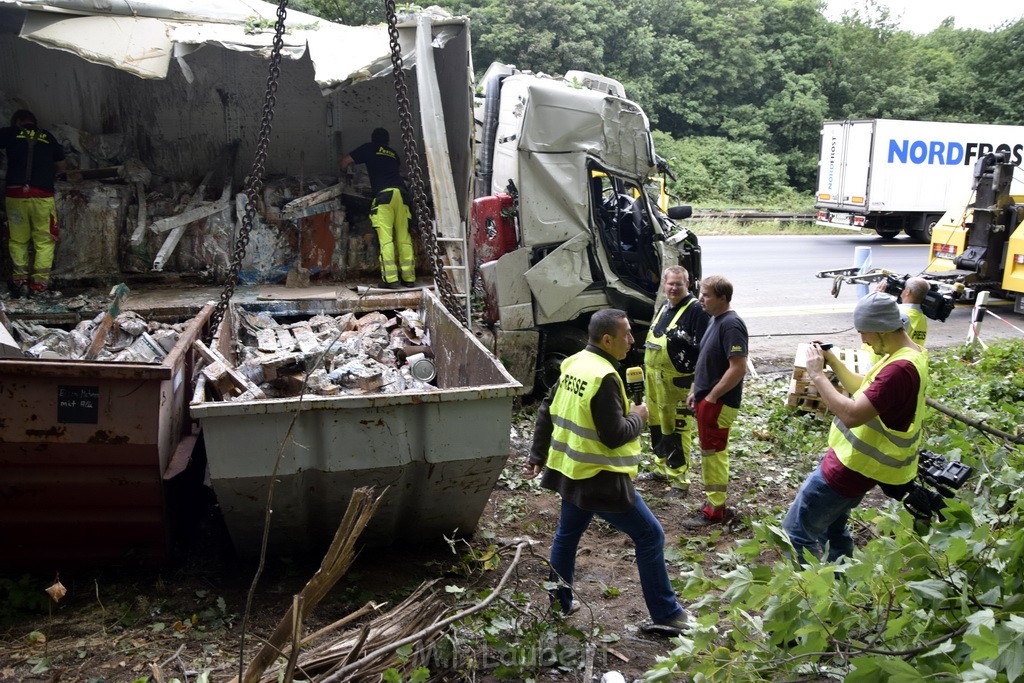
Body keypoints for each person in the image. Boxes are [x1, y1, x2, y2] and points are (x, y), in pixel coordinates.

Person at [525, 308, 690, 636]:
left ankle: (559, 604)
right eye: (626, 334)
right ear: (606, 339)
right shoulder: (604, 377)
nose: (631, 340)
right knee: (650, 535)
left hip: (571, 471)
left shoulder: (574, 363)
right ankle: (667, 614)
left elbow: (547, 407)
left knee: (567, 534)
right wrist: (639, 417)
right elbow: (614, 435)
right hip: (600, 478)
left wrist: (537, 454)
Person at [782, 291, 929, 563]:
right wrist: (833, 361)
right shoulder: (908, 355)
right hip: (857, 468)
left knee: (794, 532)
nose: (863, 340)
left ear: (881, 330)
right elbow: (864, 387)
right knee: (832, 528)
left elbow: (851, 414)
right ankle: (842, 584)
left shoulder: (898, 371)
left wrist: (816, 374)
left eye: (864, 333)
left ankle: (814, 597)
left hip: (849, 469)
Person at [683, 274, 748, 527]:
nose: (701, 298)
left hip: (718, 403)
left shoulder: (731, 324)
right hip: (707, 399)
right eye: (701, 293)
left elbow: (738, 367)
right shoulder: (715, 320)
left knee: (714, 454)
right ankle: (712, 501)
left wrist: (711, 396)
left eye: (707, 294)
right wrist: (696, 391)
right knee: (709, 452)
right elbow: (708, 362)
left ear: (723, 297)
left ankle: (715, 509)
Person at [641, 265, 710, 497]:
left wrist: (696, 386)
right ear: (664, 283)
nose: (673, 288)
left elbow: (705, 351)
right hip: (655, 381)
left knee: (677, 432)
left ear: (687, 284)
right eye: (670, 283)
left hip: (677, 384)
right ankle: (661, 468)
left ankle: (680, 480)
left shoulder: (696, 311)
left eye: (678, 284)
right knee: (657, 426)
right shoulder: (664, 307)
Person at [0, 109, 67, 298]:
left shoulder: (10, 132)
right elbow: (62, 166)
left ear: (18, 122)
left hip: (15, 196)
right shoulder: (47, 136)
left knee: (17, 239)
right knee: (44, 240)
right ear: (33, 122)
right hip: (42, 196)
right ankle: (39, 286)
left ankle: (19, 283)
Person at [340, 128, 415, 289]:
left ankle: (391, 280)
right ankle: (409, 278)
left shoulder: (369, 148)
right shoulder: (393, 153)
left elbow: (345, 161)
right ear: (387, 141)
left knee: (386, 239)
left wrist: (344, 174)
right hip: (402, 195)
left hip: (384, 197)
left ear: (373, 139)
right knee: (404, 238)